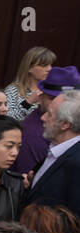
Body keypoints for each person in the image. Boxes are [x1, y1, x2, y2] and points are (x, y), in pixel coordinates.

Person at [25, 84, 80, 216]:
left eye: (49, 114)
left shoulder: (76, 163)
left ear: (65, 124)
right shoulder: (57, 148)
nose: (43, 117)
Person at [4, 46, 56, 121]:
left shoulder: (53, 90)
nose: (49, 69)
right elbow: (6, 120)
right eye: (44, 65)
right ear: (29, 68)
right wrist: (28, 102)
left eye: (50, 65)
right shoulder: (13, 91)